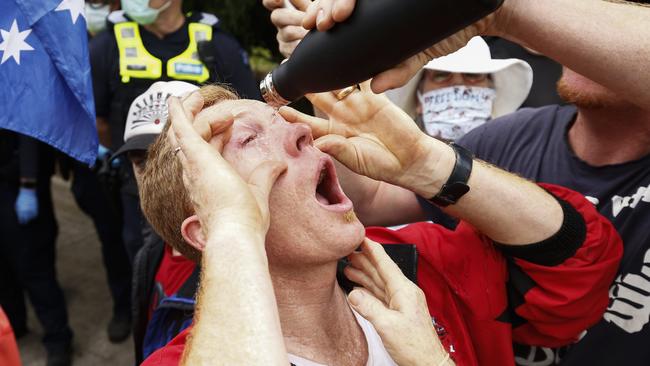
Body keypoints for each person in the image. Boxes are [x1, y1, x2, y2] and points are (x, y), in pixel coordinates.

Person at [271, 0, 650, 363]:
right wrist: (329, 79)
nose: (577, 44)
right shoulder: (506, 138)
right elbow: (371, 199)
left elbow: (579, 268)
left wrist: (496, 9)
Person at [138, 84, 620, 365]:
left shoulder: (409, 269)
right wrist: (234, 236)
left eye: (283, 119)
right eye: (248, 139)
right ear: (207, 229)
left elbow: (581, 269)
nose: (304, 129)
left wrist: (425, 165)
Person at [89, 0, 260, 266]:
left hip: (206, 195)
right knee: (142, 270)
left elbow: (251, 117)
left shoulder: (217, 45)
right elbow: (99, 122)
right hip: (136, 192)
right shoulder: (107, 45)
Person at [109, 80, 200, 364]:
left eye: (171, 159)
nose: (154, 179)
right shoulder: (149, 251)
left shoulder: (249, 270)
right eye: (141, 162)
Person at [0, 132, 73, 366]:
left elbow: (28, 133)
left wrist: (28, 184)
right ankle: (16, 324)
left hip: (17, 184)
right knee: (3, 270)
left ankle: (58, 340)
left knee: (35, 269)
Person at [384, 36, 532, 141]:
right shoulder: (392, 174)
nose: (458, 84)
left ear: (491, 93)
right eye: (441, 75)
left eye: (473, 75)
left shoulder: (516, 161)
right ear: (418, 99)